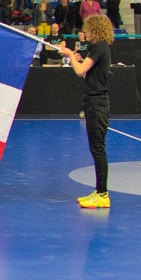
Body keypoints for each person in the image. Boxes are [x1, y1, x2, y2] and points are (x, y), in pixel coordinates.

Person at [56, 15, 114, 209]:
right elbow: (86, 74)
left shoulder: (98, 47)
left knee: (98, 149)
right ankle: (99, 191)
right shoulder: (98, 48)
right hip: (94, 102)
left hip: (97, 103)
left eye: (87, 29)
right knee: (95, 148)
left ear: (95, 30)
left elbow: (80, 71)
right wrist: (76, 59)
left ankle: (103, 194)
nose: (85, 32)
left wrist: (70, 55)